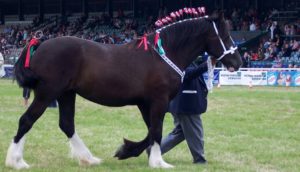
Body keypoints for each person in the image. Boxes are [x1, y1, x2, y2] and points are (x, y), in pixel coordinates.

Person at [160, 59, 210, 164]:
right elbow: (188, 74)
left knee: (180, 133)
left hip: (183, 104)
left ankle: (154, 150)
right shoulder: (180, 60)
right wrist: (207, 64)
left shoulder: (186, 58)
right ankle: (199, 159)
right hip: (186, 104)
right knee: (196, 132)